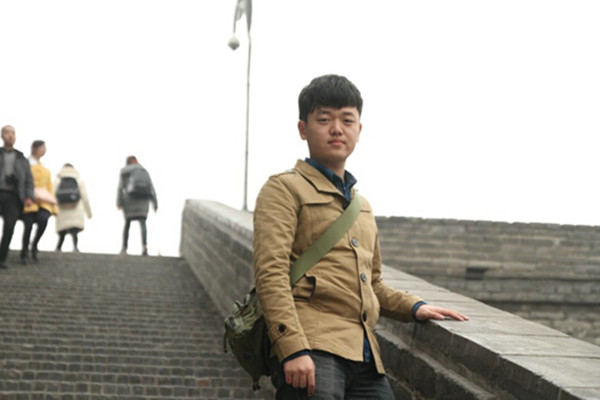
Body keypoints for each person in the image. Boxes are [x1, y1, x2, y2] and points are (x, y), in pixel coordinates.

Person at [253, 75, 469, 399]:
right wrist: (292, 347)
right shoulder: (283, 189)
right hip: (312, 347)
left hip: (366, 357)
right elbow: (271, 273)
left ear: (359, 129)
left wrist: (415, 306)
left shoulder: (361, 206)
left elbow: (374, 284)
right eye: (324, 119)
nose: (336, 129)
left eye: (347, 120)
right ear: (303, 129)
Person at [0, 125, 34, 269]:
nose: (10, 135)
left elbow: (29, 180)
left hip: (14, 196)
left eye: (13, 133)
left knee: (9, 227)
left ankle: (2, 258)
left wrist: (29, 196)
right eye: (7, 133)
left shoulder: (22, 158)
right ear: (2, 136)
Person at [20, 140, 58, 264]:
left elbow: (49, 187)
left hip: (43, 202)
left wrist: (53, 206)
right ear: (35, 148)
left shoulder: (45, 168)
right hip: (29, 200)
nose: (44, 150)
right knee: (28, 225)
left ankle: (34, 244)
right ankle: (24, 251)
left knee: (43, 220)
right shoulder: (26, 164)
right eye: (42, 147)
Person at [116, 156, 157, 256]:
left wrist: (119, 202)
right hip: (143, 201)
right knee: (143, 224)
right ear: (135, 161)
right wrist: (155, 203)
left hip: (129, 201)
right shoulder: (143, 171)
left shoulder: (124, 172)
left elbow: (120, 188)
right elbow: (151, 188)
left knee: (127, 224)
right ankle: (144, 246)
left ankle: (124, 248)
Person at [54, 163, 92, 252]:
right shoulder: (78, 180)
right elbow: (85, 197)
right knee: (74, 230)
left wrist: (52, 210)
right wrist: (89, 213)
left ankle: (58, 248)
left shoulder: (57, 180)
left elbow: (52, 195)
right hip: (76, 208)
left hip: (61, 208)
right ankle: (75, 247)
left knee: (62, 231)